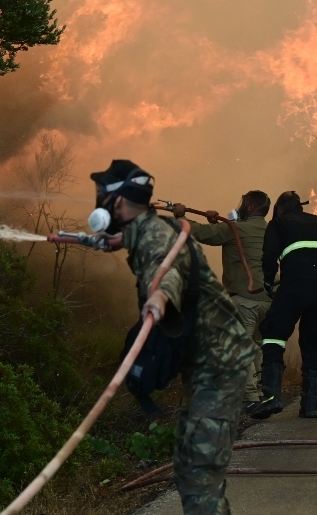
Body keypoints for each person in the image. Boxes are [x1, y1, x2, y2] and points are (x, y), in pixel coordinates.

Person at [89, 160, 254, 514]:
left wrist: (158, 300)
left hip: (220, 363)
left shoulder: (158, 239)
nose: (98, 200)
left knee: (198, 475)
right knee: (189, 463)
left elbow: (167, 271)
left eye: (102, 194)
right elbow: (153, 242)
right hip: (205, 360)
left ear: (117, 203)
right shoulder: (149, 228)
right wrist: (118, 238)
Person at [251, 191, 317, 420]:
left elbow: (269, 256)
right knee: (311, 341)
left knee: (273, 334)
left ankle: (271, 397)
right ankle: (310, 405)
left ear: (279, 208)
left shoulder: (277, 224)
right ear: (300, 207)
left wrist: (268, 282)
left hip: (294, 286)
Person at [172, 192, 272, 412]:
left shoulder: (235, 229)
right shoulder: (270, 230)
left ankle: (250, 400)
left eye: (245, 203)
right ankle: (264, 394)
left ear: (253, 205)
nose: (241, 206)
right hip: (269, 301)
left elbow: (198, 233)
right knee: (259, 348)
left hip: (245, 301)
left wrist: (180, 216)